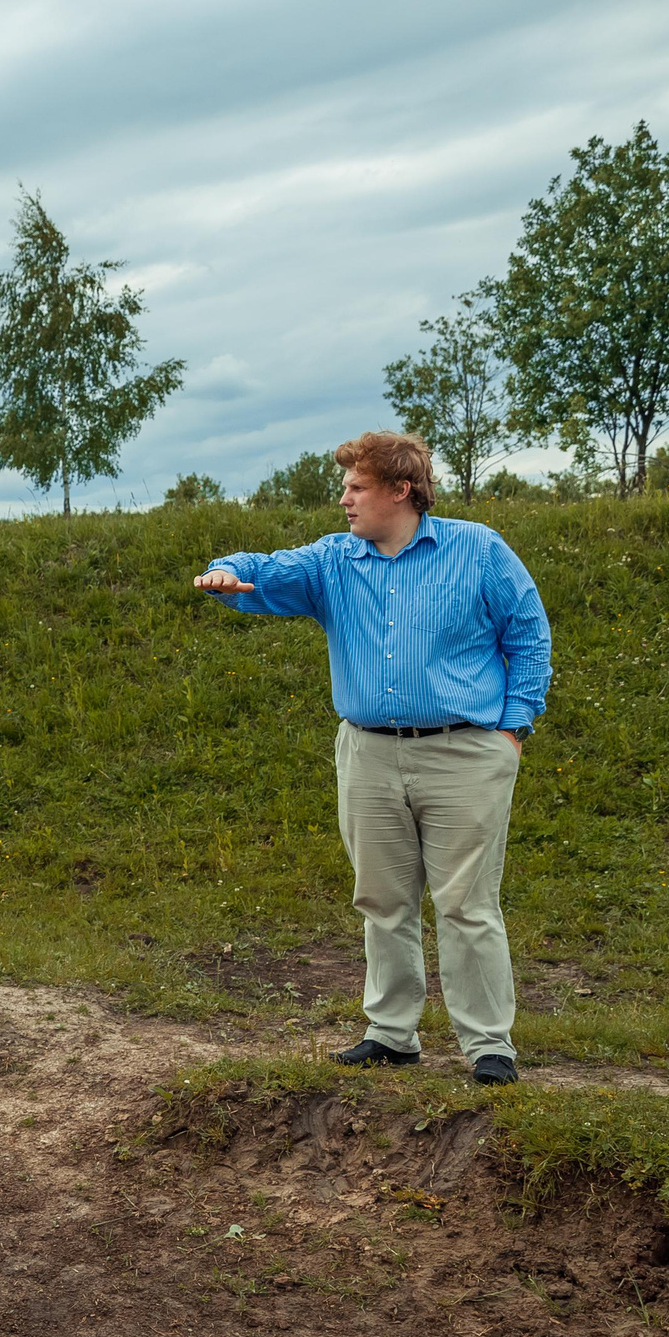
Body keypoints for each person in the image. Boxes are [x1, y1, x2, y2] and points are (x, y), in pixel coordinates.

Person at [191, 432, 551, 1084]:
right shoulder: (334, 561)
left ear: (400, 489)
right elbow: (266, 570)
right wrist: (226, 570)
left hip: (465, 754)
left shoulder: (478, 550)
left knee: (467, 904)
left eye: (356, 487)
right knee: (382, 900)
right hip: (368, 754)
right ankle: (392, 1034)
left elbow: (528, 632)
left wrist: (512, 731)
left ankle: (489, 1046)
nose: (344, 499)